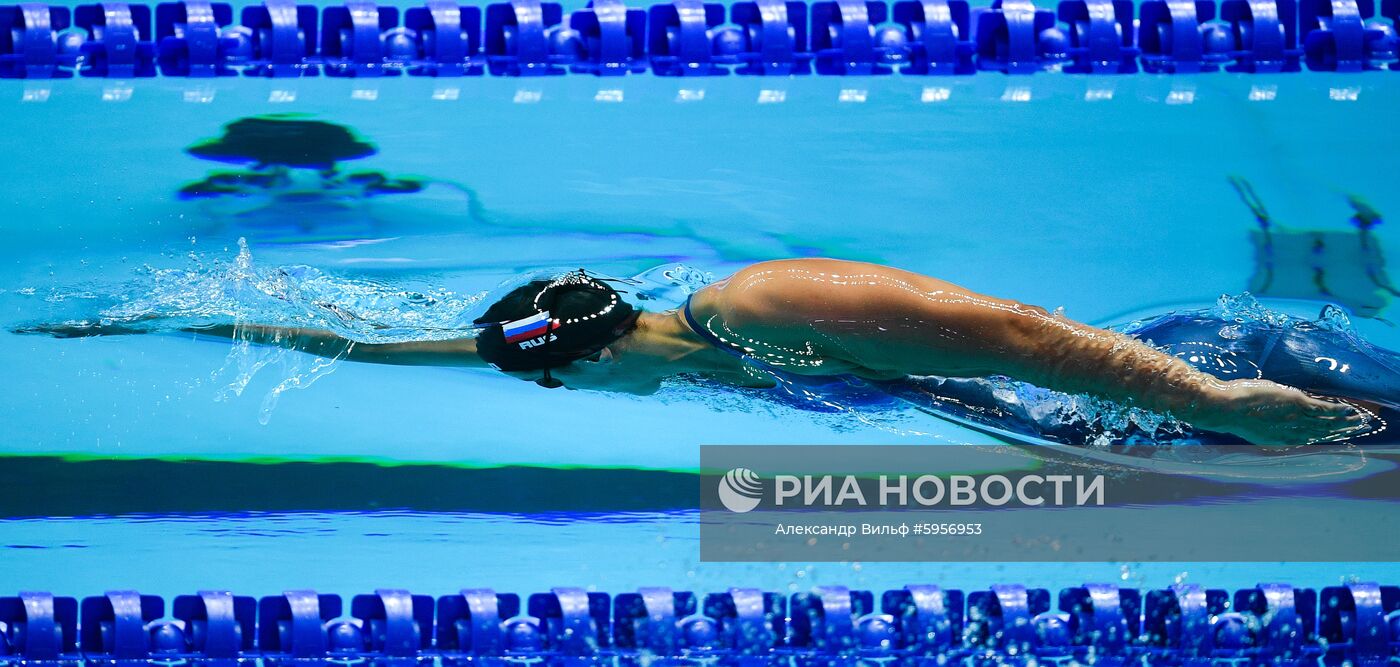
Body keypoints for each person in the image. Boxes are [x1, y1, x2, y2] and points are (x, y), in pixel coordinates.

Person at [24, 258, 1368, 447]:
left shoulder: (763, 305)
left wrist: (1222, 402)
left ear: (591, 350)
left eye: (557, 378)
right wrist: (152, 323)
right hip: (1116, 421)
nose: (574, 396)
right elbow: (384, 348)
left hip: (1233, 365)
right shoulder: (632, 345)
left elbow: (1016, 337)